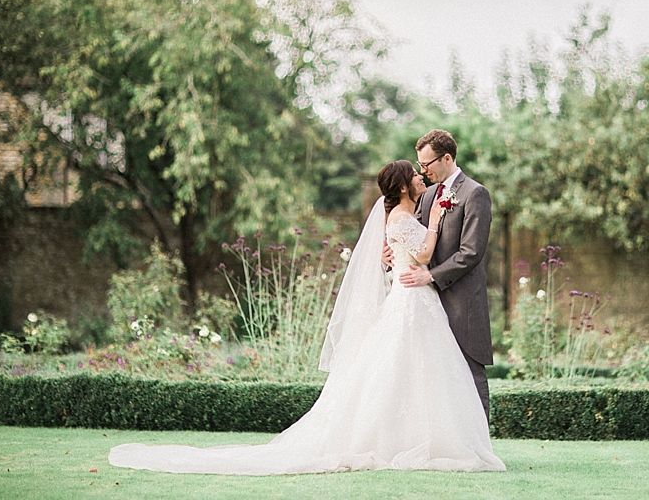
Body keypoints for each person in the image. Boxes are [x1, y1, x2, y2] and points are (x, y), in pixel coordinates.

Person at [108, 160, 505, 475]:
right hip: (412, 299)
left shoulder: (418, 207)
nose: (422, 178)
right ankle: (402, 441)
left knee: (414, 373)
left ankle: (421, 438)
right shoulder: (407, 215)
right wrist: (432, 228)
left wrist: (406, 250)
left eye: (425, 169)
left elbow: (420, 252)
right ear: (404, 186)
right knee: (403, 369)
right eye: (416, 174)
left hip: (418, 299)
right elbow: (418, 254)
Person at [383, 129, 494, 420]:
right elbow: (413, 237)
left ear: (447, 157)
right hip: (424, 303)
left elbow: (471, 252)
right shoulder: (428, 194)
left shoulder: (475, 194)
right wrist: (391, 256)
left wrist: (430, 277)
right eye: (419, 165)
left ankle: (479, 446)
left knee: (469, 373)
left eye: (427, 164)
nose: (423, 170)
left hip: (462, 302)